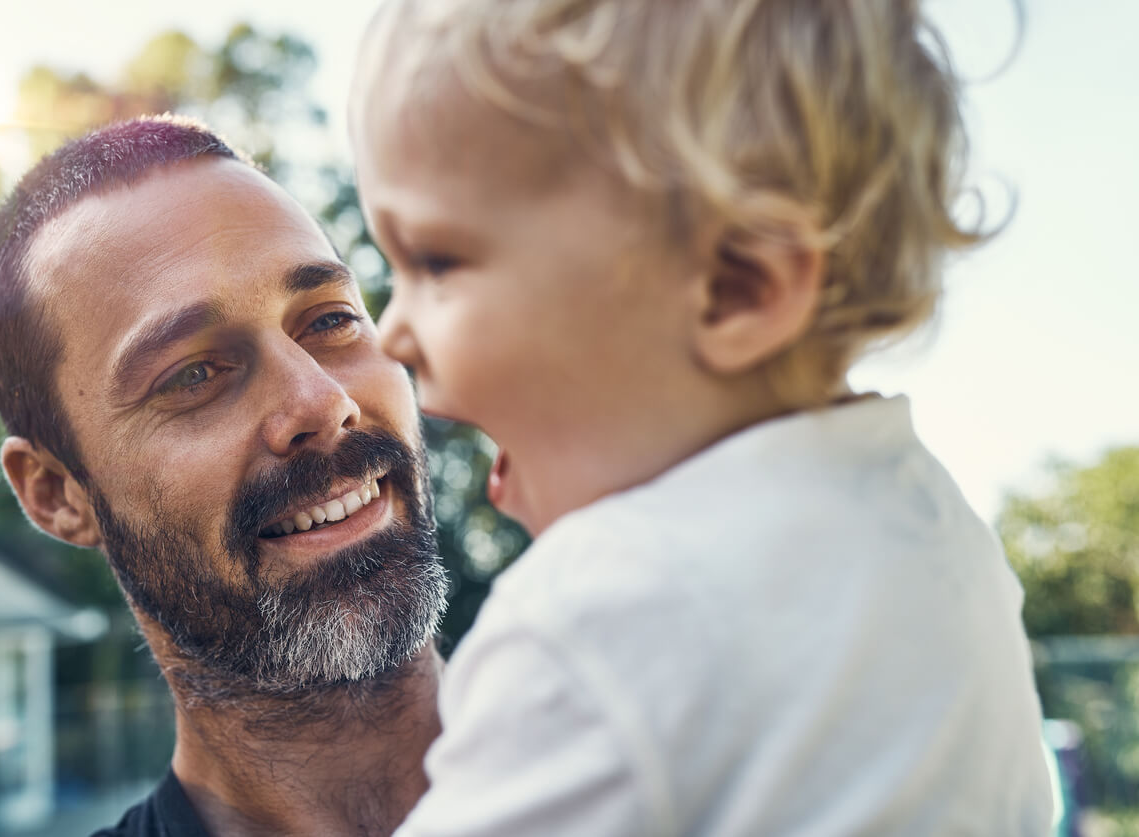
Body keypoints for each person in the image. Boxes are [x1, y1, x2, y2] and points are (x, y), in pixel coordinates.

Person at [350, 0, 1053, 834]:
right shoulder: (945, 542)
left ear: (736, 288)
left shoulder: (594, 618)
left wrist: (592, 573)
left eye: (436, 261)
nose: (392, 329)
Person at [0, 115, 451, 836]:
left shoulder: (670, 751)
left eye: (329, 320)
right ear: (57, 492)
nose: (322, 401)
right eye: (193, 373)